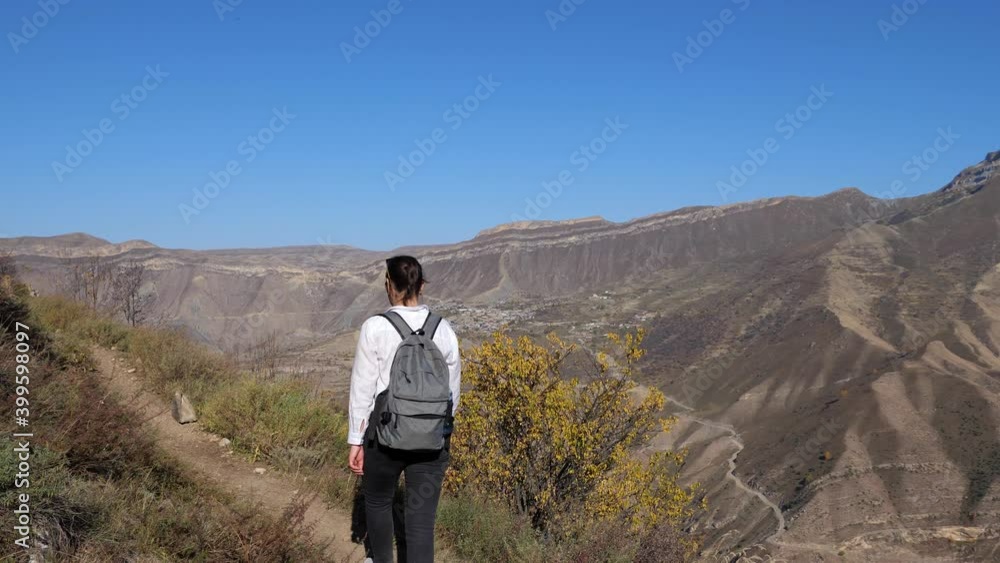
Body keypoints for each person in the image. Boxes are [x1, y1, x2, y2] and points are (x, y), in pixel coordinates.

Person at [347, 255, 461, 563]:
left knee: (379, 502)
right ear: (421, 286)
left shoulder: (375, 327)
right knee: (421, 520)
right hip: (431, 441)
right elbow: (452, 394)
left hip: (384, 437)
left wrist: (356, 441)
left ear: (389, 286)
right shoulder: (444, 329)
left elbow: (362, 390)